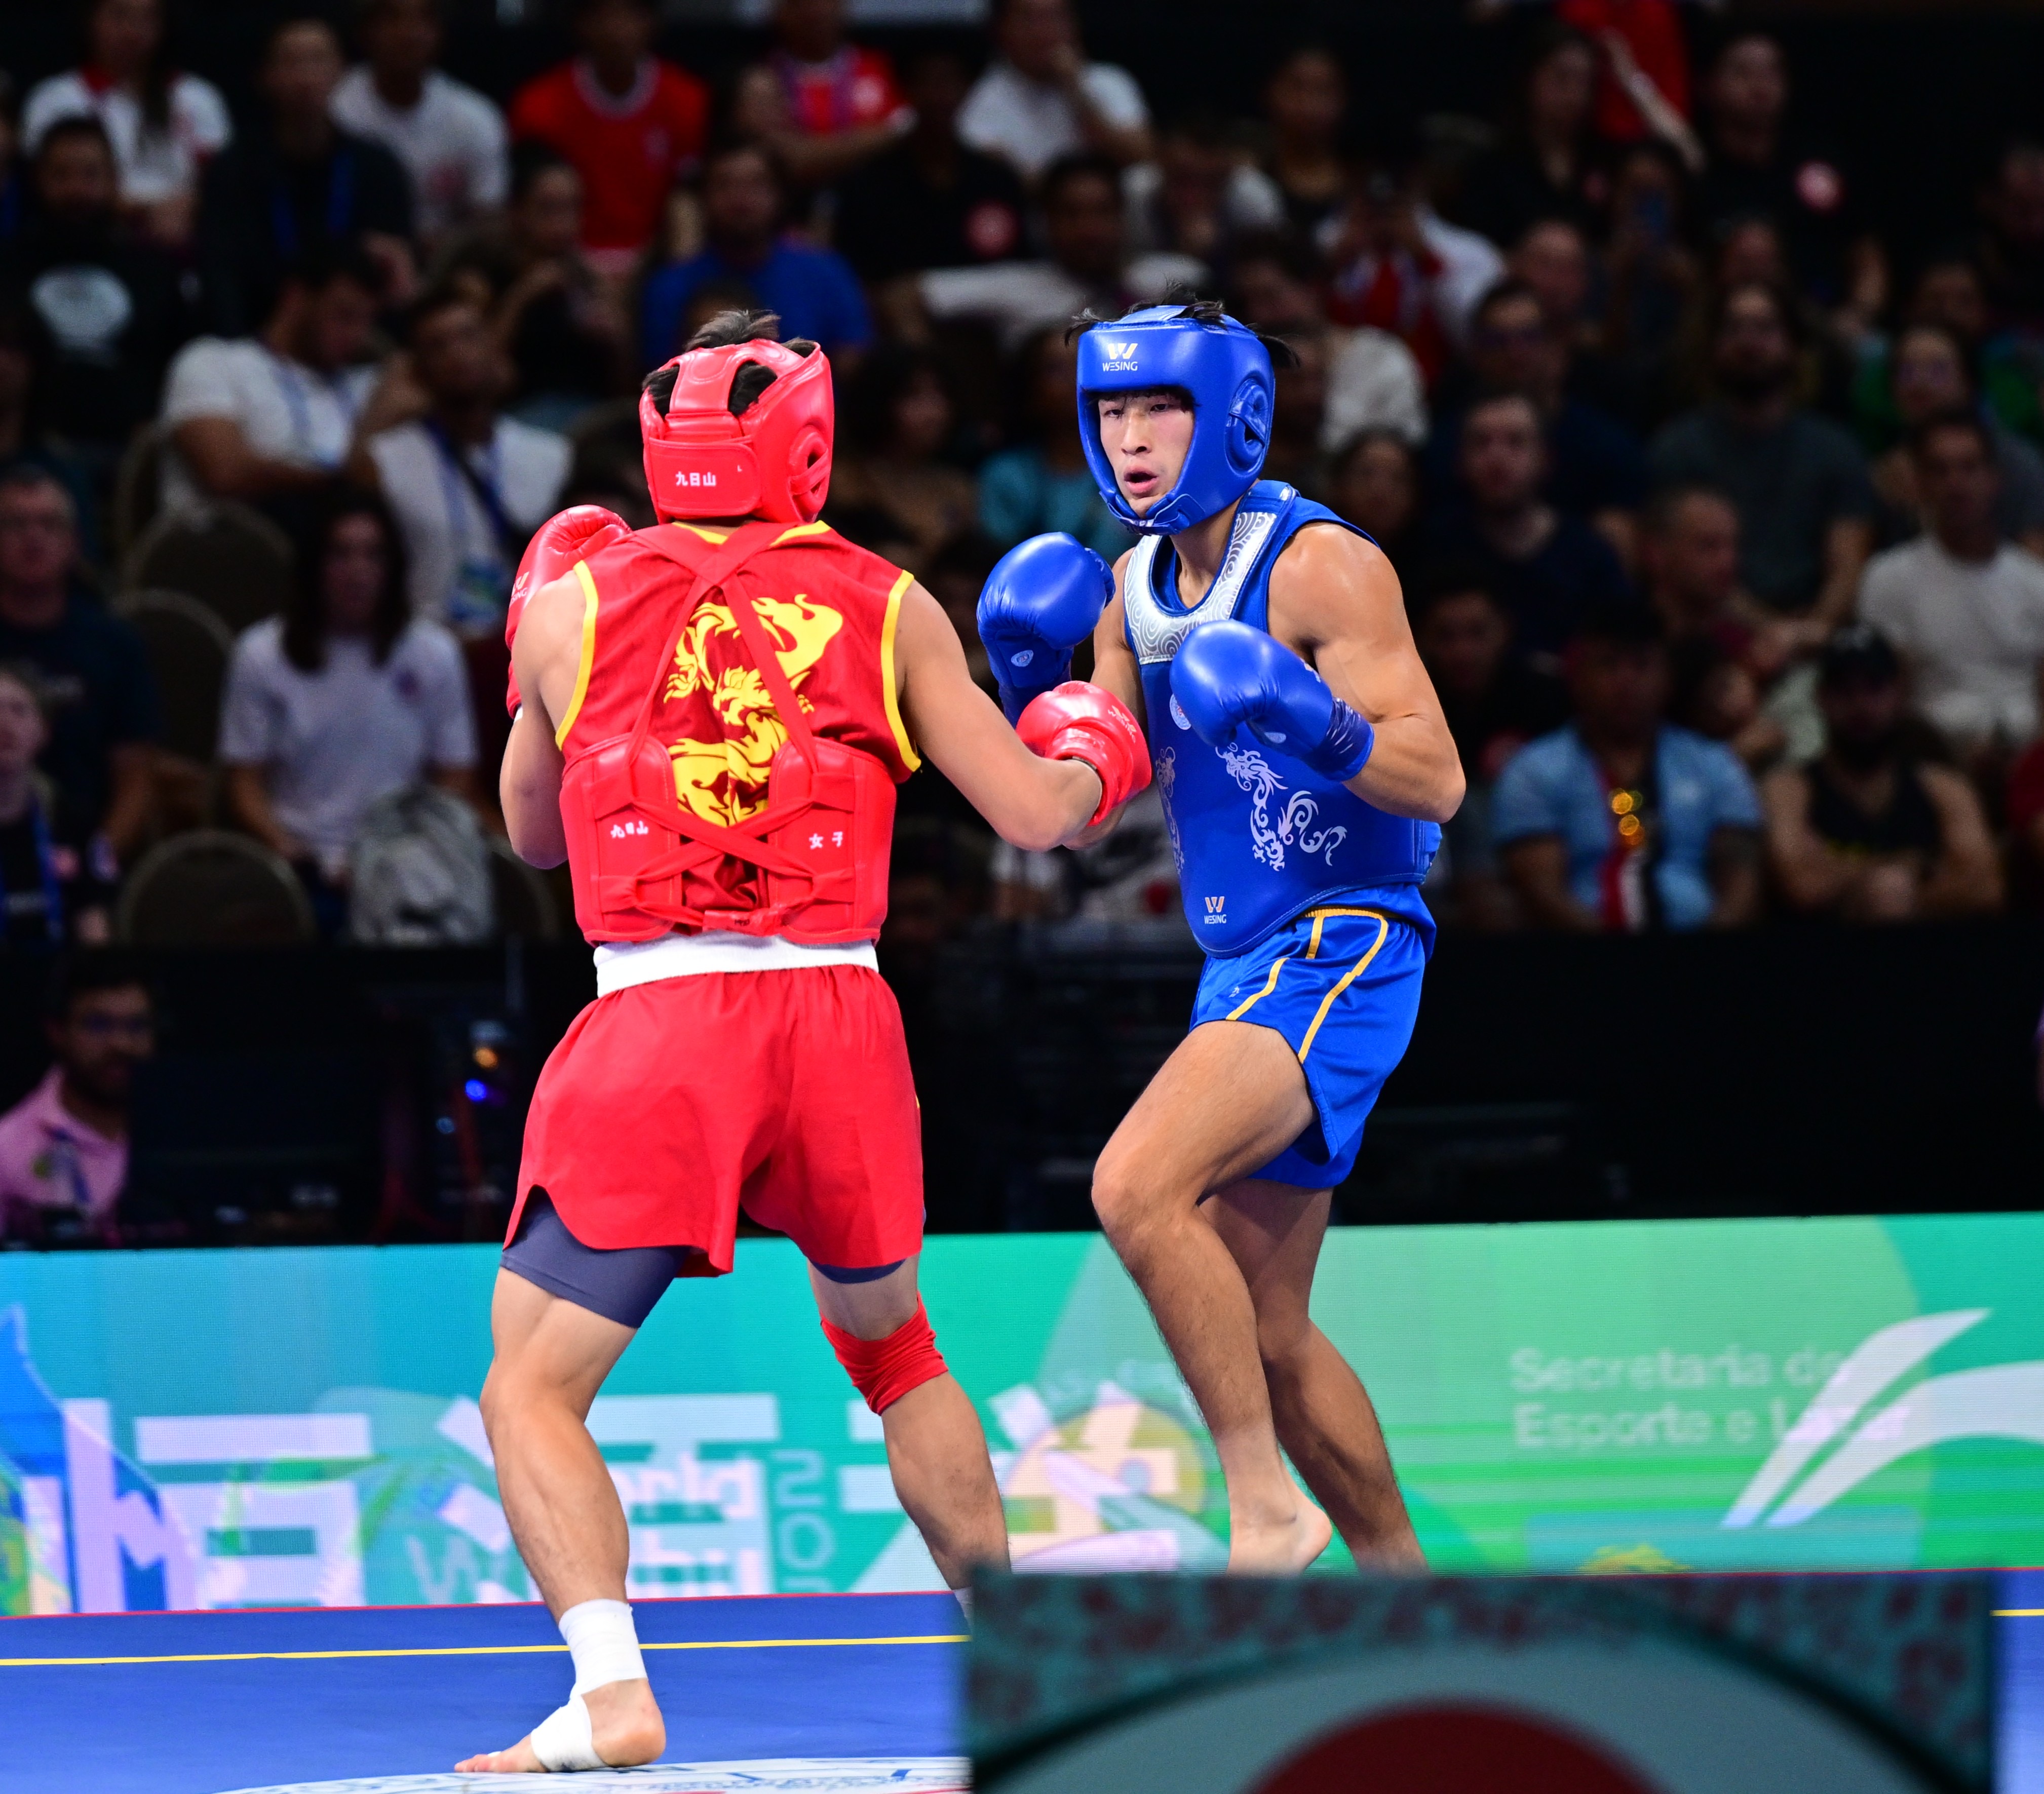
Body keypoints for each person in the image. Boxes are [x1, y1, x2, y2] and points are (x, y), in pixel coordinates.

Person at [464, 307, 1147, 1771]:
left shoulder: (570, 608)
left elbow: (528, 835)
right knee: (897, 1348)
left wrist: (527, 667)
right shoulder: (889, 600)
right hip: (838, 1011)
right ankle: (1039, 1668)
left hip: (659, 1013)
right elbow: (1038, 815)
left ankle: (609, 1687)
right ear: (811, 448)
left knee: (532, 1385)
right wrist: (1102, 728)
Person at [981, 300, 1462, 1573]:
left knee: (1134, 1188)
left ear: (1232, 413)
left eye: (1160, 409)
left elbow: (1438, 778)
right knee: (1269, 1324)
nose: (1132, 441)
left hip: (1344, 939)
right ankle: (1411, 1605)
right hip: (1241, 960)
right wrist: (1032, 701)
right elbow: (1087, 809)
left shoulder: (1323, 567)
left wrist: (1313, 716)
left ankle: (1263, 1511)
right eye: (1110, 412)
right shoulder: (1132, 583)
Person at [220, 488, 477, 927]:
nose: (358, 572)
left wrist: (405, 854)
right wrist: (286, 849)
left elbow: (454, 777)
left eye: (373, 556)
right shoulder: (261, 655)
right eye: (341, 554)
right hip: (300, 866)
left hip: (404, 864)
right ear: (314, 567)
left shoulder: (434, 653)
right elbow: (244, 781)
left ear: (393, 568)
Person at [1493, 600, 1762, 930]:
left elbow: (1740, 881)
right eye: (1609, 665)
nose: (1625, 682)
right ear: (1577, 677)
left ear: (1667, 678)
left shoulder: (1714, 764)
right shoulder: (1533, 772)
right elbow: (1540, 892)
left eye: (1641, 665)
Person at [1649, 279, 1875, 640]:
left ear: (1793, 346)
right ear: (1714, 346)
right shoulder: (1678, 448)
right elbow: (1686, 568)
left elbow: (1848, 566)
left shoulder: (1836, 450)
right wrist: (1772, 632)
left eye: (1764, 328)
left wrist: (1809, 632)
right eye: (1734, 328)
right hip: (1710, 637)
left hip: (1816, 638)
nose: (1748, 341)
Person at [1762, 624, 2001, 922]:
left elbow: (1985, 888)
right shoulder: (1789, 788)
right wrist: (1911, 868)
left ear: (1899, 695)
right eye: (1844, 691)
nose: (1860, 706)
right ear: (1821, 698)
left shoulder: (1943, 787)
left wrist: (1884, 892)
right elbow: (1802, 885)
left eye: (1874, 688)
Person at [365, 289, 571, 632]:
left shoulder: (551, 455)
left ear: (493, 347)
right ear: (417, 370)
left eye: (468, 336)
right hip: (425, 647)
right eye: (437, 346)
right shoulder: (385, 461)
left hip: (527, 645)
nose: (457, 354)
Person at [195, 17, 415, 337]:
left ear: (341, 71)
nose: (305, 77)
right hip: (259, 342)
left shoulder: (376, 168)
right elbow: (221, 277)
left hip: (358, 344)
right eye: (290, 62)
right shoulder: (233, 170)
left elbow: (397, 278)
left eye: (317, 60)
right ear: (266, 76)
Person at [159, 240, 394, 524]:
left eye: (367, 321)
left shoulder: (369, 385)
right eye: (344, 315)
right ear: (295, 298)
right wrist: (346, 480)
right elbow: (225, 474)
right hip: (235, 549)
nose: (357, 335)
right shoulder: (213, 363)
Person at [6, 115, 192, 469]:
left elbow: (179, 366)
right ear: (37, 182)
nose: (76, 190)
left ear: (115, 181)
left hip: (133, 456)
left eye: (91, 174)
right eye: (61, 175)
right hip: (24, 455)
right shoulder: (7, 269)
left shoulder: (154, 272)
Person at [1858, 410, 2044, 764]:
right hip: (1931, 763)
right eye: (1939, 470)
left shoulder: (2035, 582)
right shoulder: (1888, 578)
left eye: (1969, 468)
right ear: (1921, 483)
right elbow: (1887, 700)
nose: (1955, 483)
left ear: (1994, 479)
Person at [1426, 278, 1647, 562]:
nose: (1514, 353)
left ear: (1555, 346)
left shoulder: (1606, 446)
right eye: (1498, 340)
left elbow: (1618, 561)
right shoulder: (1448, 444)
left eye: (1528, 337)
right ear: (1476, 354)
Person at [0, 470, 157, 860]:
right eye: (16, 524)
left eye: (49, 525)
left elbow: (136, 781)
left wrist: (95, 866)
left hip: (85, 853)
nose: (33, 537)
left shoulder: (115, 645)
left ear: (74, 543)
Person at [1411, 559, 1568, 930]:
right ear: (1421, 640)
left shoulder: (1545, 697)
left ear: (1504, 631)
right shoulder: (1408, 704)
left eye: (1477, 633)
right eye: (1446, 636)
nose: (1462, 652)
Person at [917, 152, 1202, 354]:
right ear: (1046, 222)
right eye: (1072, 214)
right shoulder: (1014, 285)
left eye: (1103, 211)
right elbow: (905, 297)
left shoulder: (1178, 278)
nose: (1090, 230)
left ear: (1123, 217)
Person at [1428, 391, 1635, 668]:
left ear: (1545, 458)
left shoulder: (1588, 555)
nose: (1497, 458)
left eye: (1516, 442)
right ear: (1460, 460)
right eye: (1481, 443)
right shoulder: (1434, 548)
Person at [507, 0, 709, 274]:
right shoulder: (539, 107)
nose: (617, 29)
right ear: (580, 24)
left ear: (652, 22)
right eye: (604, 14)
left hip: (657, 263)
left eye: (630, 14)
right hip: (565, 264)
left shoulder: (689, 102)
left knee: (686, 209)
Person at [1692, 32, 1881, 321]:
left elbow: (1866, 255)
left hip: (1822, 326)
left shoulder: (1819, 160)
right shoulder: (1695, 172)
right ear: (1708, 86)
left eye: (1772, 71)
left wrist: (1856, 317)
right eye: (1743, 72)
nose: (1760, 84)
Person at [638, 141, 872, 369]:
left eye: (757, 184)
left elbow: (853, 366)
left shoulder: (826, 275)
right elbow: (660, 381)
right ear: (703, 197)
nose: (741, 198)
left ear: (781, 195)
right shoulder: (669, 288)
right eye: (725, 184)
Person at [445, 143, 632, 425]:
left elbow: (625, 388)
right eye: (549, 210)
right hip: (517, 415)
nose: (564, 225)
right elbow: (474, 375)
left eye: (572, 209)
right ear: (518, 212)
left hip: (590, 413)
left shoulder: (587, 278)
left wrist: (616, 340)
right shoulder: (481, 279)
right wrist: (521, 298)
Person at [20, 0, 230, 248]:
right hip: (89, 240)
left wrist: (192, 207)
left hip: (184, 239)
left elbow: (222, 184)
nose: (133, 32)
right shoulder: (55, 99)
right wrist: (141, 213)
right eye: (119, 16)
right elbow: (45, 187)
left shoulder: (197, 97)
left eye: (147, 19)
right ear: (91, 21)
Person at [833, 46, 1026, 290]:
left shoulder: (996, 179)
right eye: (927, 82)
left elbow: (1017, 267)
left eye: (948, 81)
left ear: (967, 90)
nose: (938, 95)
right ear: (907, 91)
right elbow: (859, 273)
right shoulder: (868, 183)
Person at [1322, 140, 1505, 387]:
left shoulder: (1469, 252)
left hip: (1437, 387)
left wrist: (1426, 260)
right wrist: (1335, 264)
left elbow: (1473, 337)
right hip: (1342, 382)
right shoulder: (1327, 242)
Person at [330, 0, 509, 250]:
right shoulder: (336, 110)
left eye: (424, 18)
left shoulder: (475, 117)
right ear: (366, 29)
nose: (409, 33)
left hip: (447, 267)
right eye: (393, 18)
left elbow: (490, 220)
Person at [1227, 232, 1429, 453]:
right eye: (1247, 301)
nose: (1258, 314)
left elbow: (1407, 448)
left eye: (1270, 297)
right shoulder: (1239, 369)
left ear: (1313, 289)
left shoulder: (1383, 358)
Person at [0, 955, 152, 1245]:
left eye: (137, 1026)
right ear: (57, 1032)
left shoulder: (190, 1134)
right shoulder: (7, 1148)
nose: (121, 1044)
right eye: (98, 1025)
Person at [1862, 323, 2044, 555]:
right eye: (1907, 372)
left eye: (1938, 371)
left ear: (1968, 382)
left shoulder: (2017, 463)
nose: (1920, 384)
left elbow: (2037, 564)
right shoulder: (1878, 470)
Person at [977, 327, 1130, 563]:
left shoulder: (1133, 465)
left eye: (1083, 364)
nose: (1075, 378)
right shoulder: (1006, 475)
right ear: (1029, 389)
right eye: (1056, 369)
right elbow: (996, 567)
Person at [957, 0, 1152, 184]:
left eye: (1056, 17)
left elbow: (1142, 158)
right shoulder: (977, 98)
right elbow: (1007, 183)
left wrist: (1076, 91)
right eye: (1031, 20)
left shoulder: (1109, 81)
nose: (1046, 32)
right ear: (1000, 30)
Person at [823, 345, 976, 573]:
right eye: (913, 395)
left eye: (939, 395)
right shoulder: (845, 484)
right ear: (879, 401)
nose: (934, 412)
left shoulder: (958, 489)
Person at [1456, 25, 1608, 251]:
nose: (1575, 94)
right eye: (1562, 78)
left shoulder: (1602, 161)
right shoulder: (1493, 167)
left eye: (1584, 82)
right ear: (1529, 79)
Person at [0, 664, 115, 947]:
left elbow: (92, 920)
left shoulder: (71, 820)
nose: (4, 723)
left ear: (44, 731)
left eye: (19, 710)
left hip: (57, 980)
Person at [756, 0, 908, 187]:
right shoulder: (762, 80)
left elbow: (909, 133)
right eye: (800, 4)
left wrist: (815, 152)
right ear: (777, 12)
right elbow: (792, 160)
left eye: (828, 2)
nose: (816, 11)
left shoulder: (882, 69)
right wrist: (879, 136)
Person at [1258, 44, 1349, 241]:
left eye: (1324, 91)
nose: (1310, 104)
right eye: (1298, 87)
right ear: (1271, 92)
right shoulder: (1249, 180)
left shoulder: (1362, 186)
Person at [1327, 430, 1421, 571]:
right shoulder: (1313, 553)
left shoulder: (1434, 564)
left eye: (1397, 477)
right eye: (1366, 474)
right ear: (1338, 484)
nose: (1380, 489)